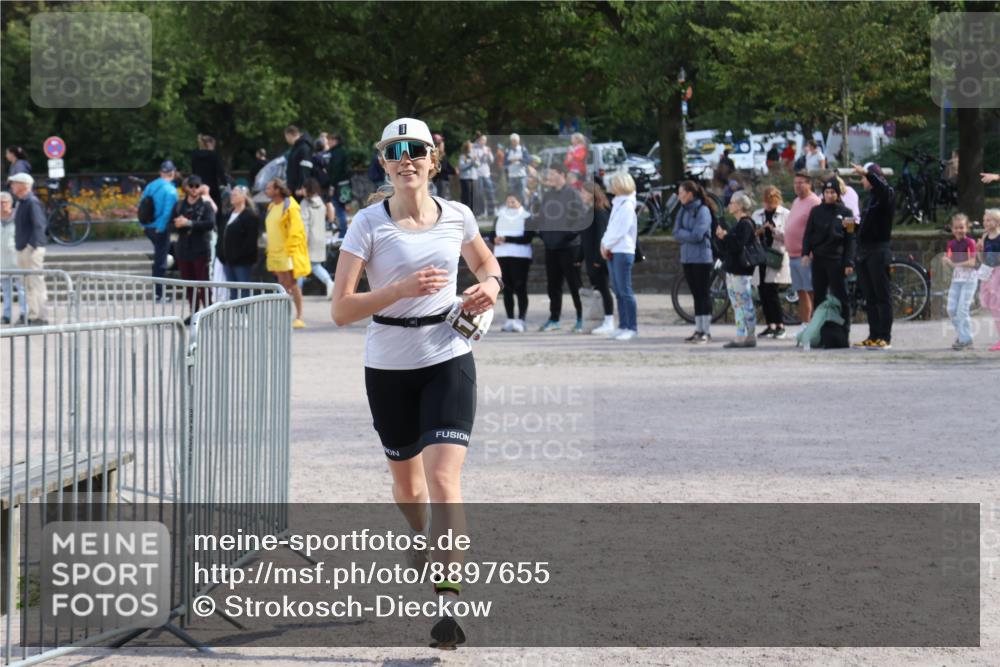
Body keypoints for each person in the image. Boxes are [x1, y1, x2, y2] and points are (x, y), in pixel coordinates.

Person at [331, 117, 501, 650]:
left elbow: (487, 265)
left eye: (417, 150)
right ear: (383, 161)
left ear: (434, 159)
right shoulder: (367, 223)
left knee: (445, 478)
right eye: (395, 151)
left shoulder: (458, 216)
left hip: (448, 354)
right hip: (388, 365)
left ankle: (449, 603)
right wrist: (398, 289)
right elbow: (340, 309)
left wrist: (489, 288)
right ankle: (422, 537)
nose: (407, 159)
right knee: (409, 488)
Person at [801, 177, 856, 335]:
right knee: (819, 296)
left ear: (838, 194)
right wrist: (806, 253)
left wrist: (849, 263)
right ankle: (820, 331)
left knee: (840, 296)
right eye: (827, 192)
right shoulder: (816, 211)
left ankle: (844, 331)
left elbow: (851, 239)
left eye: (833, 192)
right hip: (819, 259)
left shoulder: (847, 213)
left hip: (837, 261)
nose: (829, 195)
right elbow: (808, 234)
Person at [535, 163, 585, 333]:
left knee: (574, 285)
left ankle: (581, 317)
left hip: (569, 247)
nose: (549, 177)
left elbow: (581, 219)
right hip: (551, 247)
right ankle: (554, 318)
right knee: (553, 286)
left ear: (562, 174)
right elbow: (541, 217)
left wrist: (567, 235)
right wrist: (543, 234)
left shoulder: (573, 193)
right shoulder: (548, 195)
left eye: (552, 173)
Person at [850, 162, 896, 350]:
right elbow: (867, 224)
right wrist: (854, 228)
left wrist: (868, 173)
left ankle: (885, 336)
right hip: (865, 251)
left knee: (882, 295)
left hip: (879, 250)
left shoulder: (886, 194)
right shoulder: (868, 199)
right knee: (869, 296)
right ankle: (873, 334)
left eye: (863, 178)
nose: (862, 181)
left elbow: (883, 188)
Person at [673, 180, 716, 343]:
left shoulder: (703, 210)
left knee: (703, 294)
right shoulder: (682, 211)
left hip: (702, 259)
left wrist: (685, 235)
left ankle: (706, 330)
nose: (679, 196)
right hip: (687, 258)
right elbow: (675, 232)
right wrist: (687, 234)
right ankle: (698, 329)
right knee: (696, 295)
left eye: (682, 193)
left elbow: (698, 235)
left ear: (690, 194)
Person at [264, 178, 309, 328]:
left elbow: (297, 230)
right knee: (282, 285)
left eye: (269, 187)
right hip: (274, 252)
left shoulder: (290, 205)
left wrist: (291, 251)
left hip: (286, 252)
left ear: (277, 190)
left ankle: (299, 316)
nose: (267, 190)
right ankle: (282, 317)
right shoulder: (271, 206)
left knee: (292, 284)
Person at [716, 191, 759, 348]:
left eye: (732, 202)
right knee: (737, 304)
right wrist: (721, 237)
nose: (729, 205)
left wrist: (725, 237)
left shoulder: (746, 224)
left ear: (740, 205)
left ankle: (750, 335)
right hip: (733, 269)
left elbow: (737, 245)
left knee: (745, 302)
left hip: (741, 270)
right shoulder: (738, 224)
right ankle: (741, 335)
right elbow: (727, 248)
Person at [171, 175, 216, 322]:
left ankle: (209, 313)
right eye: (191, 185)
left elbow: (210, 223)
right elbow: (170, 224)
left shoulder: (205, 205)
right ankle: (194, 312)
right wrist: (177, 224)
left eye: (197, 186)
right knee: (189, 285)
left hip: (201, 249)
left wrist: (190, 223)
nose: (194, 189)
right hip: (184, 249)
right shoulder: (179, 205)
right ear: (186, 187)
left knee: (203, 283)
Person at [600, 172, 639, 341]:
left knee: (625, 291)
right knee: (618, 290)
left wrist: (606, 244)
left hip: (622, 250)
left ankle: (632, 327)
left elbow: (621, 230)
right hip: (613, 250)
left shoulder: (627, 205)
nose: (611, 186)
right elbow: (611, 228)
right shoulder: (618, 203)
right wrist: (604, 243)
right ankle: (623, 325)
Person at [751, 186, 791, 338]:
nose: (769, 205)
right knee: (762, 292)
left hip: (775, 256)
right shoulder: (757, 214)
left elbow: (789, 237)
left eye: (772, 201)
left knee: (771, 291)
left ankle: (780, 325)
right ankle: (770, 325)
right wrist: (758, 231)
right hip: (760, 256)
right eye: (767, 201)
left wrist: (774, 230)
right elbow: (751, 235)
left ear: (777, 200)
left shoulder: (785, 214)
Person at [8, 173, 47, 324]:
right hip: (23, 247)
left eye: (14, 183)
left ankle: (40, 316)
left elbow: (39, 225)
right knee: (27, 283)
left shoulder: (31, 202)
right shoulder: (22, 202)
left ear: (23, 185)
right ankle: (32, 314)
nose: (12, 186)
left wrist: (32, 246)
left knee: (35, 282)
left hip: (30, 248)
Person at [490, 194, 534, 332]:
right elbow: (492, 235)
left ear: (519, 202)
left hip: (520, 257)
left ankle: (521, 319)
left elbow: (527, 238)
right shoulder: (500, 216)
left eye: (513, 202)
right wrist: (494, 240)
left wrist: (506, 238)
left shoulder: (527, 217)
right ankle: (510, 319)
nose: (510, 204)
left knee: (520, 288)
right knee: (507, 289)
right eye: (508, 202)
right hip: (502, 256)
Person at [138, 161, 180, 300]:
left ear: (161, 172)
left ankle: (158, 291)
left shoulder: (151, 185)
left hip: (148, 227)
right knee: (161, 262)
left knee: (159, 258)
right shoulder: (171, 190)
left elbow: (142, 205)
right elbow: (168, 213)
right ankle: (159, 293)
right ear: (172, 173)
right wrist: (160, 228)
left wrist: (143, 224)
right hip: (159, 229)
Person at [579, 182, 615, 335]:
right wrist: (580, 257)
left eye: (583, 192)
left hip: (598, 259)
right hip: (591, 258)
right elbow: (585, 237)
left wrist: (598, 260)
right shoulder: (590, 211)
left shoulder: (599, 212)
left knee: (604, 289)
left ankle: (609, 320)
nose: (581, 195)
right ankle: (601, 320)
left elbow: (600, 236)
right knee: (599, 289)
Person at [785, 172, 821, 324]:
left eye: (801, 183)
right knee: (801, 292)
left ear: (809, 184)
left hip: (806, 256)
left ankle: (815, 324)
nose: (797, 186)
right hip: (793, 254)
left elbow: (818, 229)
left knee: (811, 291)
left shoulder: (814, 202)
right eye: (795, 183)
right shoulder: (796, 201)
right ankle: (805, 325)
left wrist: (811, 251)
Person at [218, 185, 259, 299]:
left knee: (244, 290)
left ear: (243, 197)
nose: (232, 196)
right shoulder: (228, 215)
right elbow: (222, 236)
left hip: (242, 262)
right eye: (232, 194)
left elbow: (250, 241)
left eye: (235, 194)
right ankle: (236, 316)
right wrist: (220, 254)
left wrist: (237, 256)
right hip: (227, 261)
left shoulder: (250, 216)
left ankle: (245, 315)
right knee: (233, 291)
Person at [944, 213, 978, 350]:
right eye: (956, 228)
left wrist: (953, 264)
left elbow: (972, 262)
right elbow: (949, 259)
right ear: (952, 229)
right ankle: (963, 336)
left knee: (962, 310)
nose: (959, 230)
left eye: (962, 227)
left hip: (969, 279)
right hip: (957, 279)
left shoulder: (970, 243)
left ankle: (966, 340)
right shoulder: (951, 244)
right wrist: (946, 261)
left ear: (967, 228)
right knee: (951, 309)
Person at [298, 178, 335, 298]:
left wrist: (302, 241)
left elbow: (304, 224)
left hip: (308, 239)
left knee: (301, 266)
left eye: (303, 188)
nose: (301, 190)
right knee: (314, 265)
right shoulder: (321, 202)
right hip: (320, 238)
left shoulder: (305, 203)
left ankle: (297, 292)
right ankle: (329, 283)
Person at [976, 208, 1000, 351]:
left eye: (988, 220)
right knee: (993, 306)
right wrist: (979, 250)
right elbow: (982, 258)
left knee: (997, 306)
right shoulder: (985, 236)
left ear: (997, 221)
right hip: (988, 272)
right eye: (984, 220)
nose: (985, 222)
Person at [1, 191, 26, 324]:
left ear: (10, 204)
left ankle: (24, 313)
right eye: (0, 203)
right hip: (2, 260)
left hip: (16, 259)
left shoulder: (17, 217)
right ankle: (6, 315)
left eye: (5, 202)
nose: (2, 205)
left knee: (21, 289)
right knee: (6, 290)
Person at [190, 134, 227, 212]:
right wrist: (225, 183)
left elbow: (193, 171)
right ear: (209, 144)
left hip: (198, 186)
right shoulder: (213, 155)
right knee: (215, 208)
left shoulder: (194, 155)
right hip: (212, 186)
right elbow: (220, 171)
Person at [326, 133, 351, 237]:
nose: (328, 143)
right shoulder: (340, 151)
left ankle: (343, 233)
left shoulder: (337, 153)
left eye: (329, 140)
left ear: (335, 140)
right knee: (340, 209)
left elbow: (335, 170)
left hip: (339, 186)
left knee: (339, 209)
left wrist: (331, 186)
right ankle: (343, 231)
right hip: (344, 185)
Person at [284, 125, 314, 199]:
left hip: (299, 190)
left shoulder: (304, 147)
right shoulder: (296, 147)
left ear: (290, 135)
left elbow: (305, 169)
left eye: (286, 137)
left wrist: (302, 187)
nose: (286, 140)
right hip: (294, 188)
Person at [472, 134, 496, 216]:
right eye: (481, 140)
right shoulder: (474, 149)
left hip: (487, 174)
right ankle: (481, 212)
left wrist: (488, 154)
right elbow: (475, 163)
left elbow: (492, 161)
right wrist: (483, 155)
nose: (483, 142)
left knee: (490, 192)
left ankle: (491, 212)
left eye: (484, 140)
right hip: (478, 174)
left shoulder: (487, 149)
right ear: (478, 141)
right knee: (480, 194)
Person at [506, 133, 529, 203]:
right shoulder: (508, 150)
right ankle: (514, 209)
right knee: (513, 194)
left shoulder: (523, 149)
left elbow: (528, 160)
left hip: (521, 175)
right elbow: (504, 163)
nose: (514, 142)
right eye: (513, 141)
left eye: (515, 140)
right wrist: (510, 161)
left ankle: (524, 209)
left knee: (522, 193)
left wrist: (519, 159)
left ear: (518, 141)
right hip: (512, 176)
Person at [431, 136, 456, 200]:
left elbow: (448, 167)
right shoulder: (436, 156)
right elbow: (442, 168)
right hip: (440, 180)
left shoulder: (443, 156)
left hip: (444, 180)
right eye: (442, 146)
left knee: (445, 197)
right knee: (441, 199)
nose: (443, 147)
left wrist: (454, 171)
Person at [458, 141, 477, 212]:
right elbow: (462, 167)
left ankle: (472, 212)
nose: (472, 148)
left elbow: (478, 165)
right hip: (465, 178)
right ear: (467, 147)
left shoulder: (474, 156)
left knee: (473, 196)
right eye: (470, 147)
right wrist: (471, 163)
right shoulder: (462, 156)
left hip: (473, 178)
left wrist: (475, 161)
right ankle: (465, 212)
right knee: (466, 197)